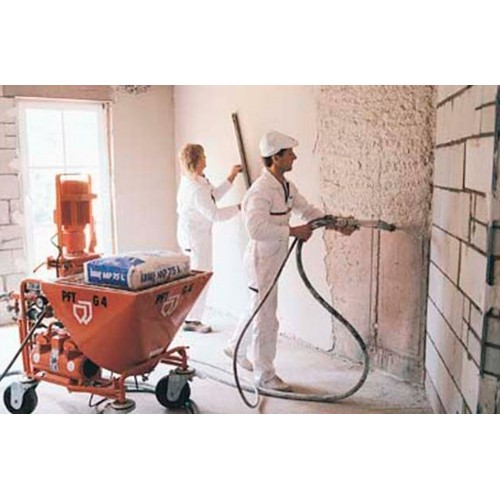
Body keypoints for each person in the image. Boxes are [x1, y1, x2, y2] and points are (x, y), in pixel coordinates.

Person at [225, 131, 355, 390]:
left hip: (273, 258)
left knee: (256, 307)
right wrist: (294, 231)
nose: (294, 157)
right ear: (276, 157)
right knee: (266, 318)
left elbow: (307, 210)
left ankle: (234, 347)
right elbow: (255, 229)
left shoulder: (285, 186)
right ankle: (264, 376)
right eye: (290, 153)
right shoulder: (260, 191)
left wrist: (335, 224)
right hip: (260, 261)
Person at [177, 143, 242, 333]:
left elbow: (213, 196)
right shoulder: (195, 189)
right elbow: (215, 215)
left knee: (199, 277)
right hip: (194, 239)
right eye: (203, 155)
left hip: (195, 236)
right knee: (200, 278)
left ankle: (190, 318)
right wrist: (240, 207)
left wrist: (232, 176)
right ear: (197, 160)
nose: (206, 158)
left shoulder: (198, 181)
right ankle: (192, 320)